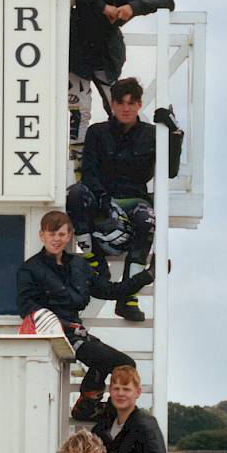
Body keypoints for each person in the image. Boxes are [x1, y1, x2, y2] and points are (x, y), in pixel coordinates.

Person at [17, 208, 153, 422]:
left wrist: (147, 276)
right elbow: (25, 307)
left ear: (69, 236)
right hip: (52, 335)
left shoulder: (79, 265)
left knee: (124, 364)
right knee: (108, 360)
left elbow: (110, 290)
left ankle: (90, 405)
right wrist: (59, 324)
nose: (56, 239)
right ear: (42, 235)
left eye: (61, 234)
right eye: (51, 234)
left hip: (77, 334)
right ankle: (88, 406)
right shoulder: (30, 269)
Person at [68, 0, 174, 178]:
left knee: (120, 109)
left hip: (107, 54)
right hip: (77, 52)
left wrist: (133, 8)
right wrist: (102, 7)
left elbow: (167, 1)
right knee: (79, 112)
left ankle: (123, 165)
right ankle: (76, 171)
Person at [66, 76, 157, 322]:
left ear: (139, 104)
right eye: (120, 102)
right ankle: (93, 258)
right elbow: (89, 171)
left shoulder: (152, 134)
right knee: (75, 194)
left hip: (133, 201)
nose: (126, 108)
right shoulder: (97, 132)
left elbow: (169, 170)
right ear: (113, 104)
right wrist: (102, 196)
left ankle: (129, 297)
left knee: (148, 219)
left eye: (131, 102)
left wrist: (174, 134)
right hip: (101, 199)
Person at [92, 365, 169, 453]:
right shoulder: (104, 425)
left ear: (137, 392)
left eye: (126, 389)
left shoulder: (146, 424)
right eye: (116, 388)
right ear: (110, 391)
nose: (120, 393)